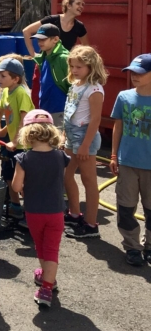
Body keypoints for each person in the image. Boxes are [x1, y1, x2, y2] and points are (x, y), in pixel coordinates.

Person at [12, 110, 69, 308]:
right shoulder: (61, 156)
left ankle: (47, 282)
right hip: (56, 211)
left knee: (41, 245)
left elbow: (17, 187)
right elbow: (59, 179)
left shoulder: (24, 159)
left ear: (27, 133)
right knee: (52, 248)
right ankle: (47, 282)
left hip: (35, 210)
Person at [109, 54, 151, 266]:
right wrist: (114, 154)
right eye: (132, 72)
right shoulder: (124, 97)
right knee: (126, 207)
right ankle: (132, 246)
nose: (134, 76)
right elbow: (118, 126)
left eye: (140, 73)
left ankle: (149, 245)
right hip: (128, 163)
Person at [64, 46, 107, 239]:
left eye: (79, 67)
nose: (74, 70)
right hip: (71, 134)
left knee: (89, 180)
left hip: (84, 137)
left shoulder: (94, 90)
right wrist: (66, 136)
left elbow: (95, 120)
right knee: (66, 174)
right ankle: (74, 213)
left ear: (91, 66)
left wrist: (84, 144)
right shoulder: (75, 84)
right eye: (72, 66)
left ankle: (91, 224)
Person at [23, 0, 89, 107]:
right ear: (68, 5)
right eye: (78, 3)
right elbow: (27, 31)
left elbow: (86, 48)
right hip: (45, 61)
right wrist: (33, 54)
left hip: (64, 64)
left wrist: (76, 59)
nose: (81, 6)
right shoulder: (52, 20)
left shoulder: (79, 27)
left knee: (62, 93)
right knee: (37, 93)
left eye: (83, 4)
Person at [0, 58, 34, 220]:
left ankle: (31, 212)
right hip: (11, 142)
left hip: (24, 145)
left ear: (15, 79)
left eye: (3, 76)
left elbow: (23, 119)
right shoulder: (7, 91)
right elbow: (0, 112)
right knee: (8, 175)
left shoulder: (21, 93)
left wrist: (15, 141)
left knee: (23, 180)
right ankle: (15, 206)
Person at [32, 24, 70, 128]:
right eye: (38, 39)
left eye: (43, 39)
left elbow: (73, 86)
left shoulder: (64, 58)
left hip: (60, 111)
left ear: (55, 39)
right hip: (44, 111)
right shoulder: (43, 58)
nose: (39, 42)